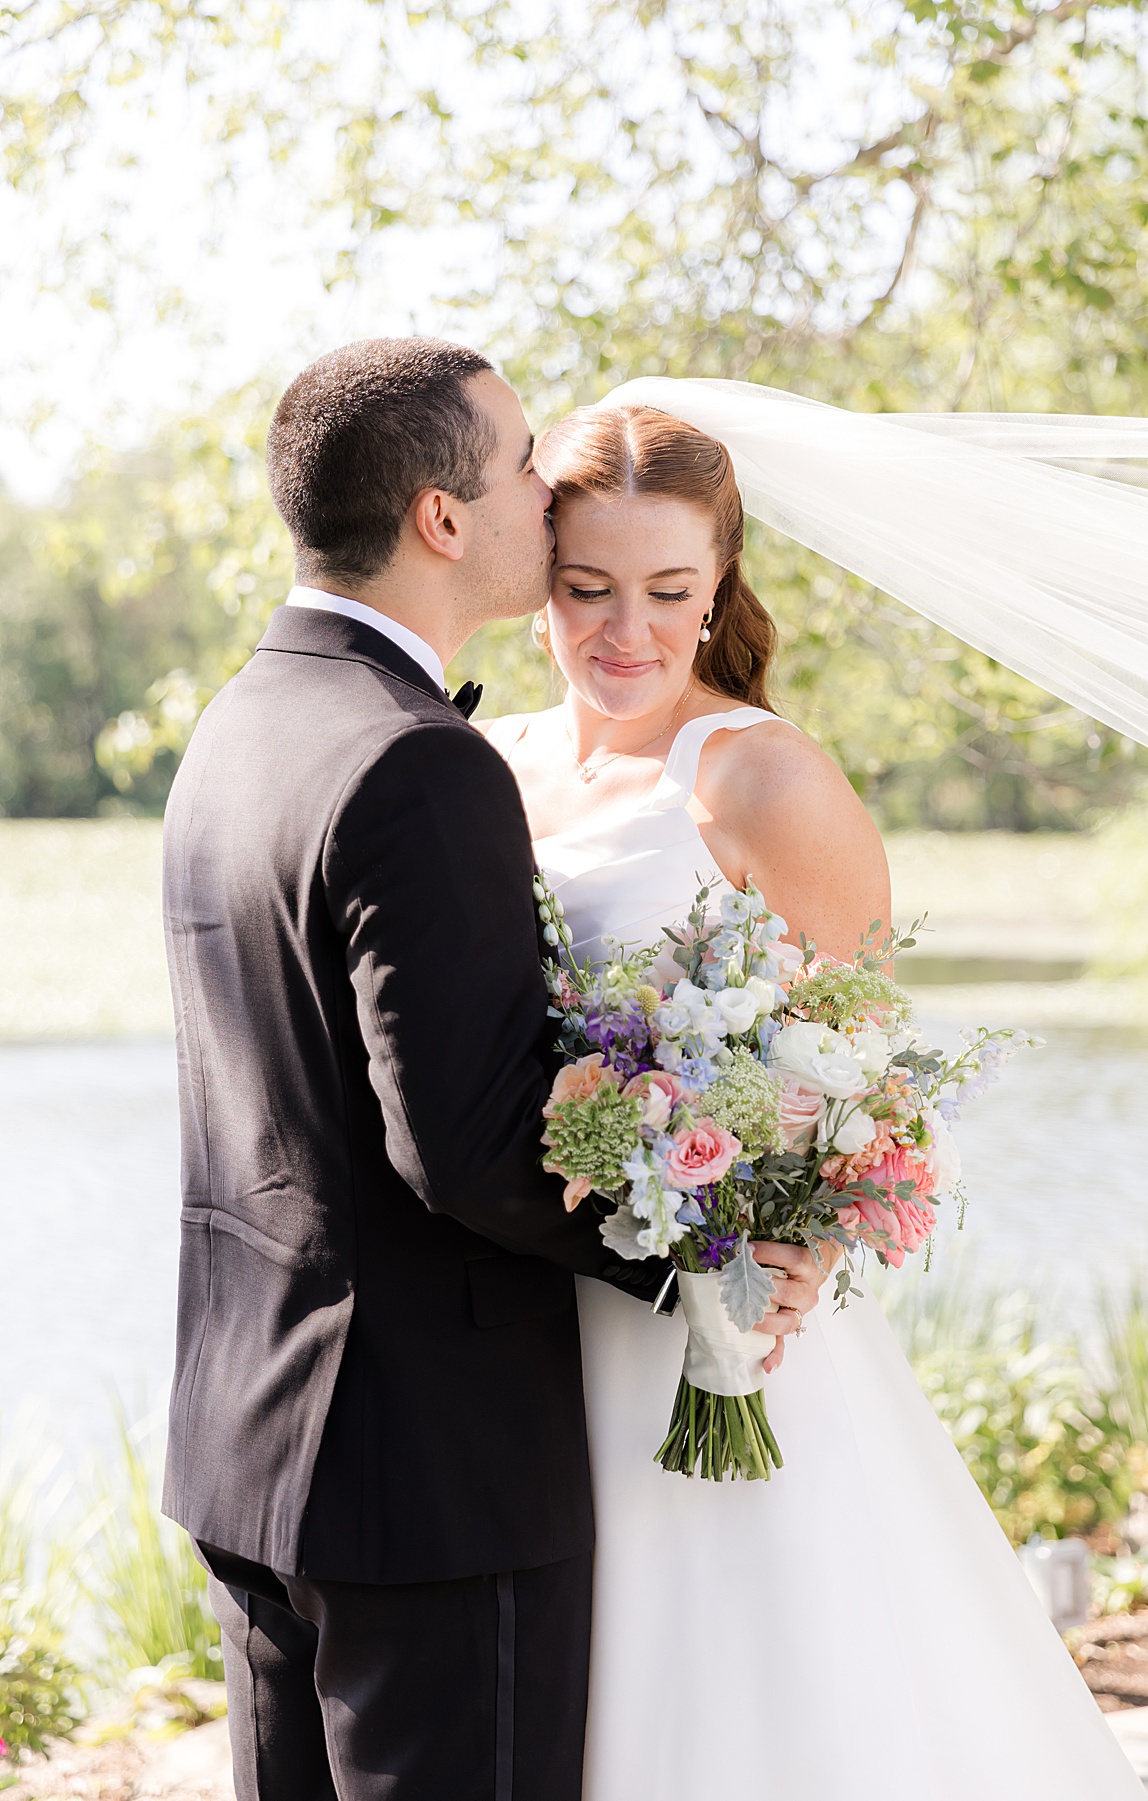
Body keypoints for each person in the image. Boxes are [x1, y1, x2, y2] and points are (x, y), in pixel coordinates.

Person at [161, 339, 825, 1801]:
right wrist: (698, 1255)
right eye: (522, 461)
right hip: (431, 1475)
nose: (545, 491)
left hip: (253, 1438)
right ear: (443, 520)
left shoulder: (238, 725)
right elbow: (460, 1145)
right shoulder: (421, 759)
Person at [482, 401, 1146, 1800]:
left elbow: (870, 1083)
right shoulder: (493, 768)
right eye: (586, 589)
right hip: (532, 1325)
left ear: (720, 585)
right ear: (536, 580)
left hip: (716, 1325)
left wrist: (807, 1246)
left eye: (669, 593)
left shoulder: (764, 777)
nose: (625, 632)